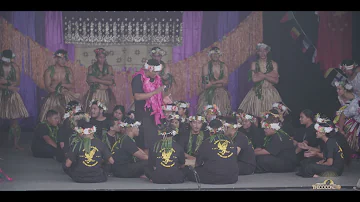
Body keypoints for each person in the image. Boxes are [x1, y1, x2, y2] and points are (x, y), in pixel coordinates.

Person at [186, 119, 238, 184]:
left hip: (214, 178)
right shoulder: (231, 141)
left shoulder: (206, 142)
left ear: (210, 130)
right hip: (232, 178)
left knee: (190, 172)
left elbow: (198, 163)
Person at [131, 59, 167, 154]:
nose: (157, 74)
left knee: (154, 143)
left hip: (154, 116)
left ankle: (153, 164)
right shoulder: (138, 78)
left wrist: (164, 100)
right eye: (155, 71)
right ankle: (145, 165)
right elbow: (137, 96)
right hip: (143, 115)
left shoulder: (156, 79)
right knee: (145, 144)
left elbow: (156, 98)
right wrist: (155, 92)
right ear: (150, 69)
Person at [238, 43, 282, 117]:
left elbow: (276, 81)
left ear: (267, 51)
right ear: (257, 52)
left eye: (264, 51)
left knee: (272, 116)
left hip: (270, 92)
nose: (262, 53)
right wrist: (270, 75)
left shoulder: (274, 64)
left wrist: (263, 75)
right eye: (260, 51)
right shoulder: (254, 64)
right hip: (257, 92)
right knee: (256, 115)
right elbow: (255, 79)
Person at [39, 49, 80, 122]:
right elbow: (48, 87)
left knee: (71, 117)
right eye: (62, 59)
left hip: (66, 96)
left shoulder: (68, 70)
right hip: (53, 97)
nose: (64, 61)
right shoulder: (49, 71)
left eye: (65, 59)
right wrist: (57, 92)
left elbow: (72, 85)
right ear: (56, 58)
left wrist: (63, 85)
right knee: (53, 118)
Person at [0, 49, 29, 150]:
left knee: (15, 121)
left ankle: (15, 144)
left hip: (12, 96)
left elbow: (17, 83)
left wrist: (5, 82)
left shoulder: (15, 67)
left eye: (9, 60)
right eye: (5, 61)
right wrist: (9, 86)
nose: (7, 62)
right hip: (2, 94)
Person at [197, 47, 231, 116]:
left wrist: (213, 82)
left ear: (220, 55)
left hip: (221, 93)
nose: (215, 55)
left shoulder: (224, 66)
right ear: (210, 55)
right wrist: (219, 82)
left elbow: (225, 81)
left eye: (217, 54)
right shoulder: (206, 66)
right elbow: (207, 84)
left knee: (221, 113)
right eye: (213, 54)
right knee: (207, 113)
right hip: (208, 93)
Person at [84, 48, 117, 113]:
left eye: (103, 57)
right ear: (96, 57)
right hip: (94, 93)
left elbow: (110, 82)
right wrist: (105, 78)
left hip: (105, 93)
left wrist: (96, 79)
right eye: (100, 57)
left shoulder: (109, 67)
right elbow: (90, 80)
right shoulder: (91, 67)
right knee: (93, 110)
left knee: (105, 111)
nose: (102, 59)